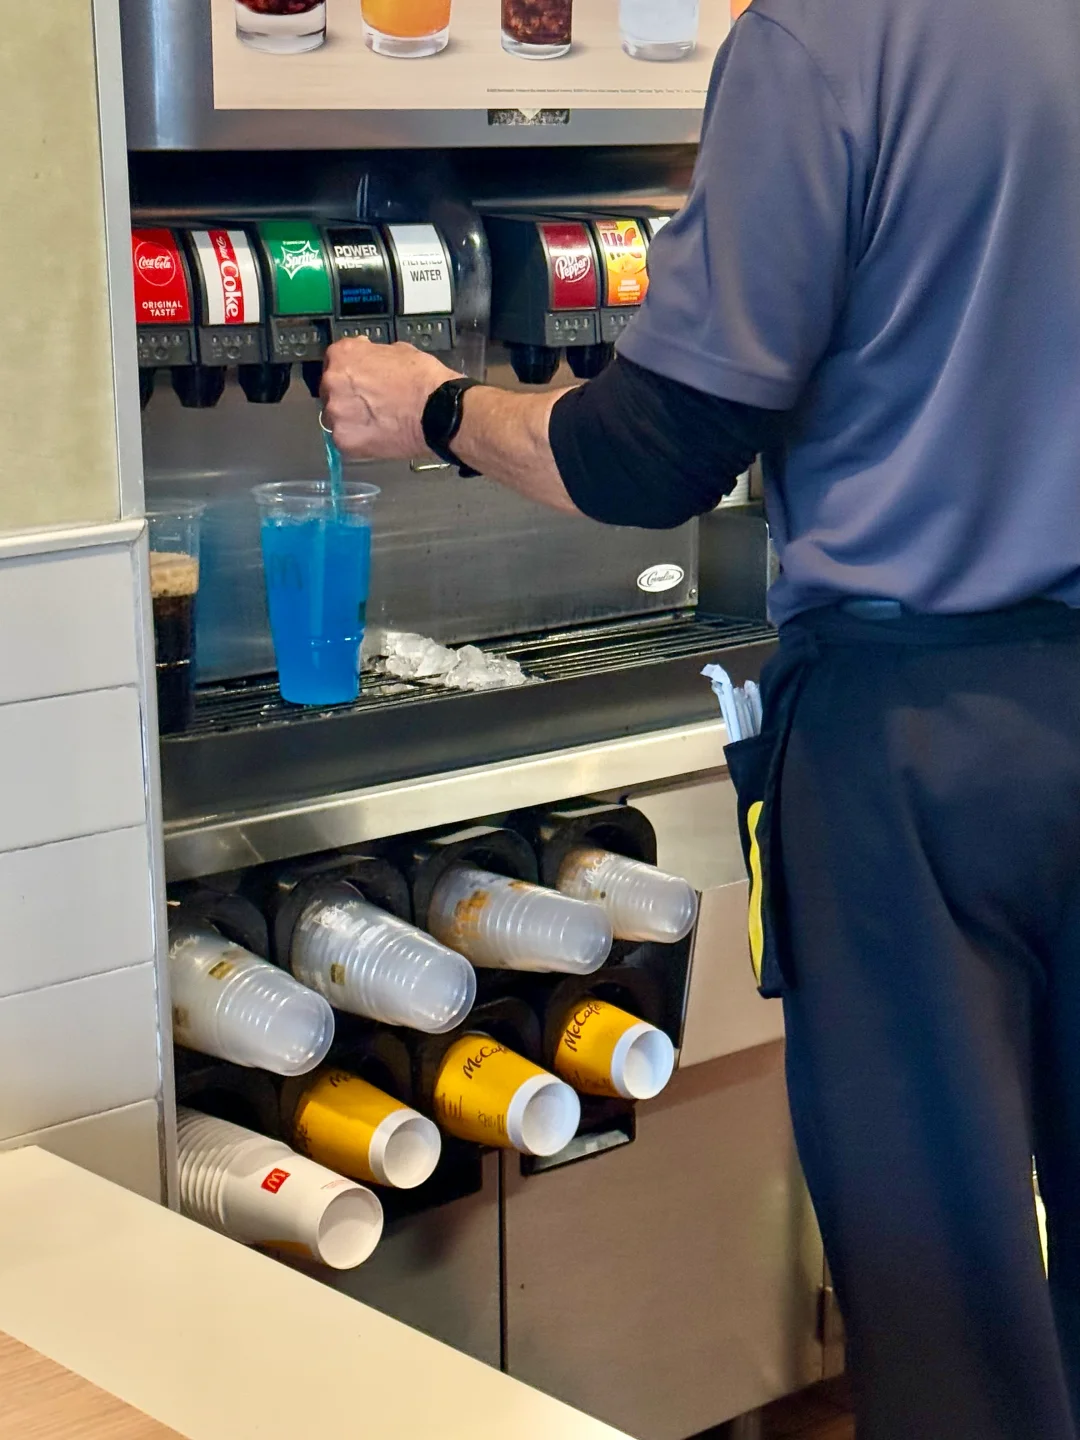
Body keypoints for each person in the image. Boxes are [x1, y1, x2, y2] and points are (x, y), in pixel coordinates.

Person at [320, 0, 1080, 1433]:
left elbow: (651, 452)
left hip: (919, 746)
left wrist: (437, 407)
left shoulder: (828, 39)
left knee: (951, 1307)